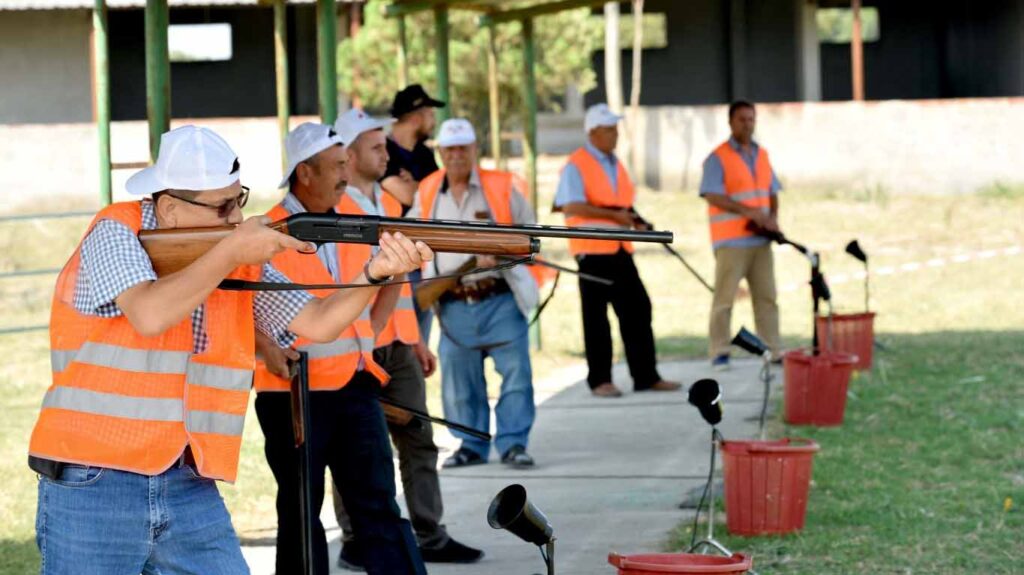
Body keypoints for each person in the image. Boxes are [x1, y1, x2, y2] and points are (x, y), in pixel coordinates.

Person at [27, 125, 430, 575]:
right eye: (222, 206)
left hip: (186, 477)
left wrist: (374, 274)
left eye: (239, 200)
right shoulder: (117, 229)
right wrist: (232, 251)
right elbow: (149, 313)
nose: (236, 218)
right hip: (93, 477)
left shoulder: (230, 247)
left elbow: (319, 322)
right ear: (169, 208)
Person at [252, 122, 431, 575]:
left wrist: (371, 322)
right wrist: (263, 345)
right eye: (336, 167)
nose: (345, 176)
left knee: (379, 507)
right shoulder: (267, 232)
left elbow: (377, 285)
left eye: (344, 165)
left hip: (354, 384)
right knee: (300, 515)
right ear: (304, 173)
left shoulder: (352, 220)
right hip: (293, 392)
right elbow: (236, 302)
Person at [327, 108, 484, 569]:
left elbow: (401, 286)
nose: (388, 154)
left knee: (419, 439)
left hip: (398, 345)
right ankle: (356, 540)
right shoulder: (338, 211)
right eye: (377, 147)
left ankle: (429, 533)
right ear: (350, 156)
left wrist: (415, 339)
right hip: (360, 346)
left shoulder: (388, 205)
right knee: (359, 447)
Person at [408, 118, 539, 469]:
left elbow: (531, 238)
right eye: (449, 149)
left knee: (516, 376)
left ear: (474, 150)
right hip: (451, 302)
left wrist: (500, 253)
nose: (455, 156)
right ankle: (471, 446)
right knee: (458, 379)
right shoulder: (428, 190)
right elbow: (407, 236)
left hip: (499, 296)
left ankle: (513, 444)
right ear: (440, 152)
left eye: (462, 148)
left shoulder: (503, 186)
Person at [553, 103, 681, 398]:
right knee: (596, 319)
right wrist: (615, 217)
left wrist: (637, 221)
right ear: (592, 132)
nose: (615, 135)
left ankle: (646, 376)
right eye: (609, 130)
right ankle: (600, 381)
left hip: (620, 248)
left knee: (638, 309)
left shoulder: (615, 164)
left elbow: (620, 204)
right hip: (592, 252)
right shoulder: (577, 164)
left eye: (615, 129)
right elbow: (570, 205)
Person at [699, 100, 784, 371]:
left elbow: (772, 191)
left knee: (767, 296)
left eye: (751, 119)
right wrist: (748, 212)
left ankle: (772, 349)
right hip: (731, 240)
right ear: (731, 122)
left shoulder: (762, 155)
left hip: (760, 240)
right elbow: (712, 194)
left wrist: (771, 220)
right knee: (725, 298)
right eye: (742, 119)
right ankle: (720, 351)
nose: (747, 124)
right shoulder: (718, 157)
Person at [380, 84, 446, 211]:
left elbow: (442, 195)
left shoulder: (424, 153)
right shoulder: (381, 150)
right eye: (431, 115)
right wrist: (423, 186)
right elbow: (409, 196)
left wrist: (414, 184)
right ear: (416, 120)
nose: (434, 123)